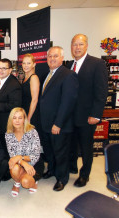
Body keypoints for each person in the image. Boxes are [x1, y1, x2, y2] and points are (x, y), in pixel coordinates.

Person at [67, 34, 108, 187]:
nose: (77, 47)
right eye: (74, 44)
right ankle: (72, 167)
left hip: (87, 116)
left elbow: (102, 91)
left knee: (85, 147)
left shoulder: (97, 64)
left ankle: (85, 175)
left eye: (80, 44)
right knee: (71, 144)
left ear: (86, 46)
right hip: (70, 116)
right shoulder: (70, 65)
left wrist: (96, 114)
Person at [40, 46, 78, 191]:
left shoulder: (68, 75)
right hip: (45, 123)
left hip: (58, 125)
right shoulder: (47, 75)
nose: (52, 59)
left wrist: (58, 123)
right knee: (49, 151)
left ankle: (62, 178)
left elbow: (68, 102)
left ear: (62, 58)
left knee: (60, 152)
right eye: (50, 56)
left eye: (55, 56)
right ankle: (51, 170)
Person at [5, 107, 44, 197]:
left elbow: (35, 155)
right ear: (11, 120)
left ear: (24, 119)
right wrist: (23, 162)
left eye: (20, 118)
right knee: (13, 166)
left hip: (35, 163)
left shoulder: (32, 132)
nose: (17, 121)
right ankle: (17, 182)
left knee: (26, 183)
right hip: (20, 164)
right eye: (14, 118)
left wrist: (20, 157)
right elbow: (12, 156)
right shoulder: (8, 134)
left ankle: (32, 181)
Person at [0, 58, 22, 134]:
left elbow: (15, 106)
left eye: (4, 68)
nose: (0, 70)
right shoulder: (1, 80)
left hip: (7, 125)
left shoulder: (14, 85)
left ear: (10, 70)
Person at [21, 54, 41, 131]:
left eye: (28, 63)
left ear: (34, 64)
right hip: (25, 112)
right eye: (24, 63)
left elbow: (34, 100)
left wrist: (28, 118)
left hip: (32, 115)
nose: (26, 65)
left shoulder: (33, 78)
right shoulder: (25, 78)